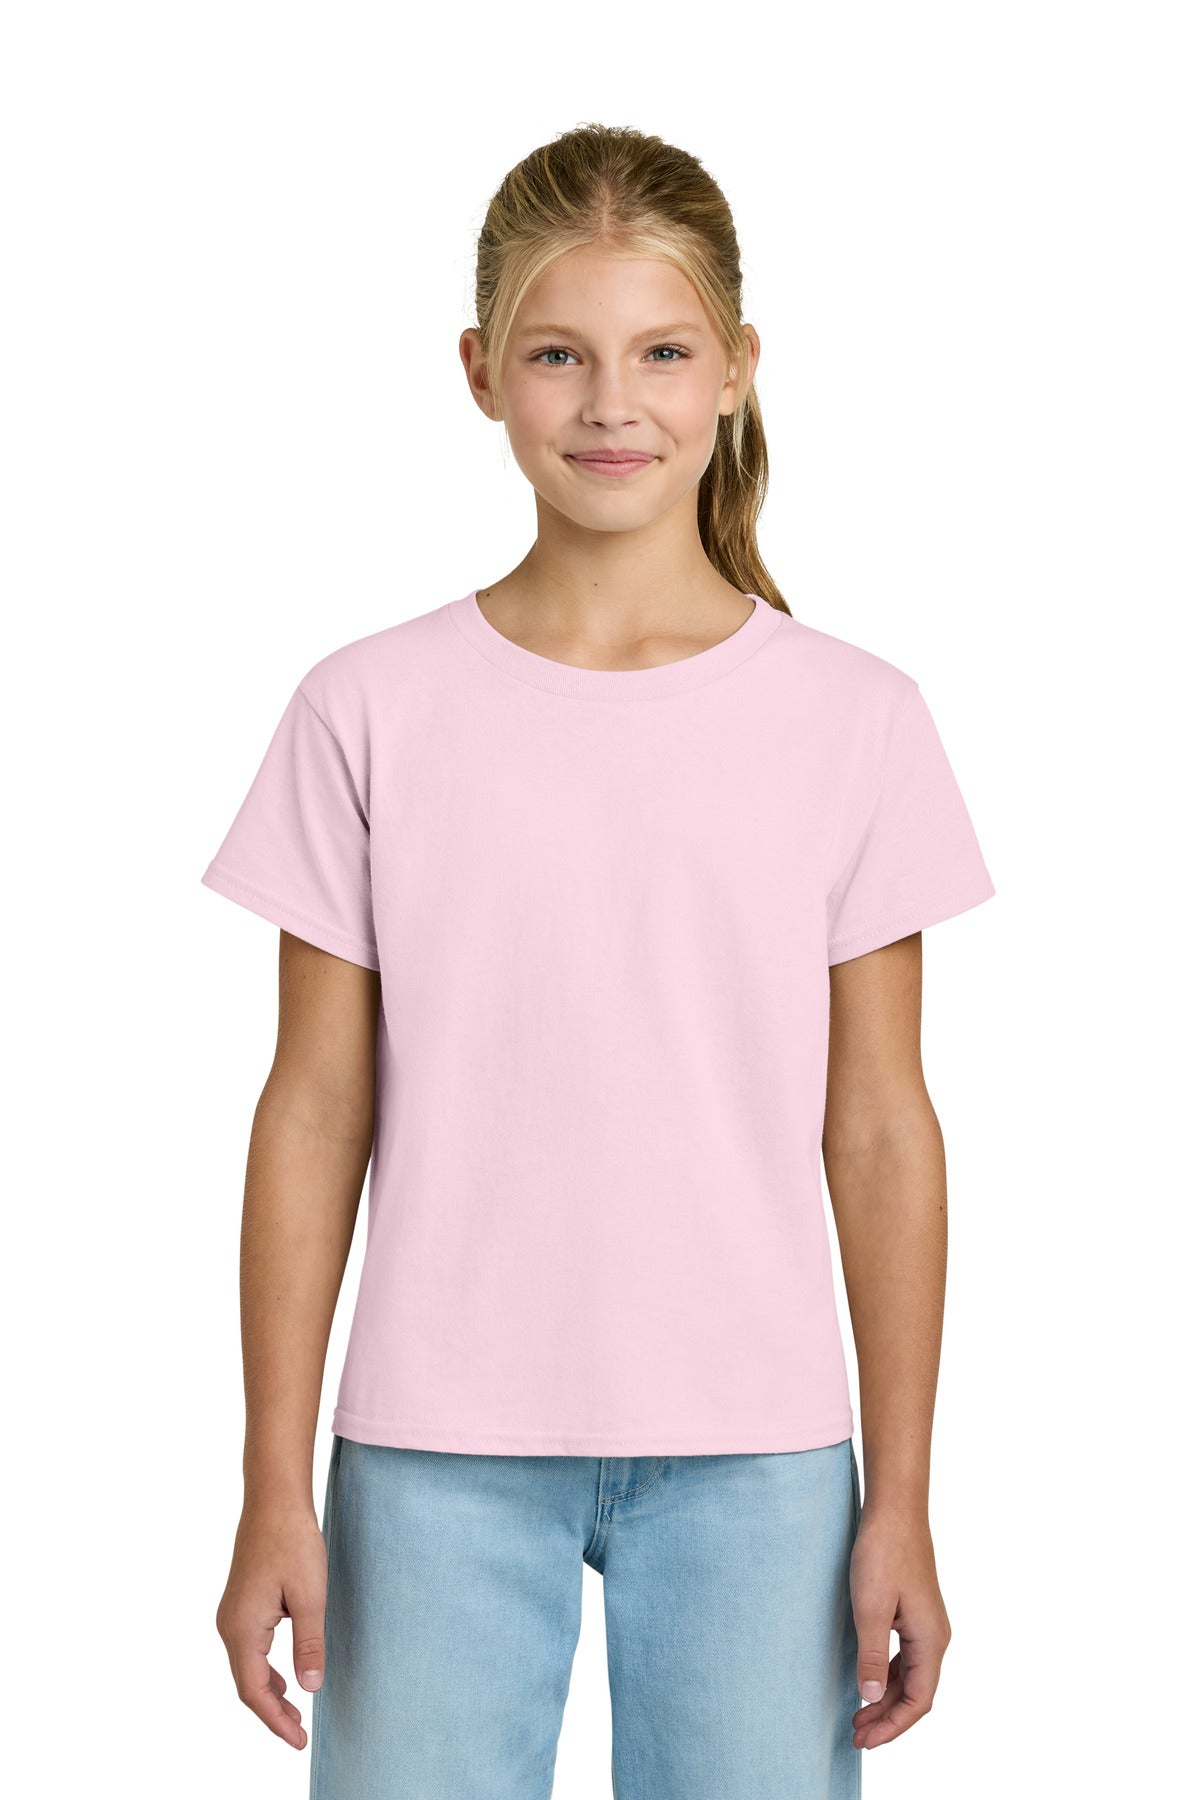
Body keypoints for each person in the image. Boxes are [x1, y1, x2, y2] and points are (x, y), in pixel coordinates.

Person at [203, 123, 996, 1800]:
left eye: (662, 354)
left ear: (738, 370)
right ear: (481, 372)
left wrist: (905, 1496)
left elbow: (880, 1128)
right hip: (428, 1452)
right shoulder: (367, 709)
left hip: (763, 1459)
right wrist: (274, 1479)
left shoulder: (855, 719)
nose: (610, 403)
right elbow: (313, 1110)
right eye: (559, 354)